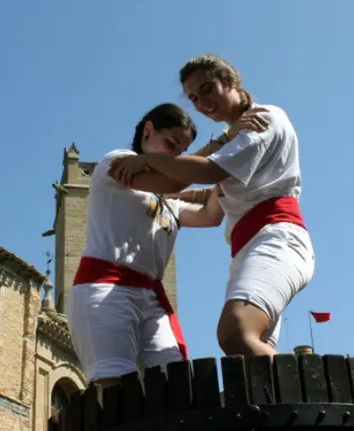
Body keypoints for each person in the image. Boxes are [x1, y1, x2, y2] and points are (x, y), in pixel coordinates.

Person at [110, 54, 316, 358]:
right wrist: (171, 196)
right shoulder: (236, 143)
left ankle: (312, 396)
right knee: (250, 359)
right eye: (193, 98)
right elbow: (212, 207)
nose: (202, 103)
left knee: (235, 332)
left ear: (230, 80)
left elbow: (207, 173)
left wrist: (147, 161)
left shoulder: (265, 119)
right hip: (249, 248)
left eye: (207, 89)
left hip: (276, 238)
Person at [67, 102, 267, 386]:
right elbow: (174, 181)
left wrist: (231, 167)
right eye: (170, 144)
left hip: (151, 299)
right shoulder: (118, 162)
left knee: (173, 385)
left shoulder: (169, 204)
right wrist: (222, 143)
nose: (175, 156)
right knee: (114, 389)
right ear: (148, 131)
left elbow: (211, 216)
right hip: (106, 288)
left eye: (181, 152)